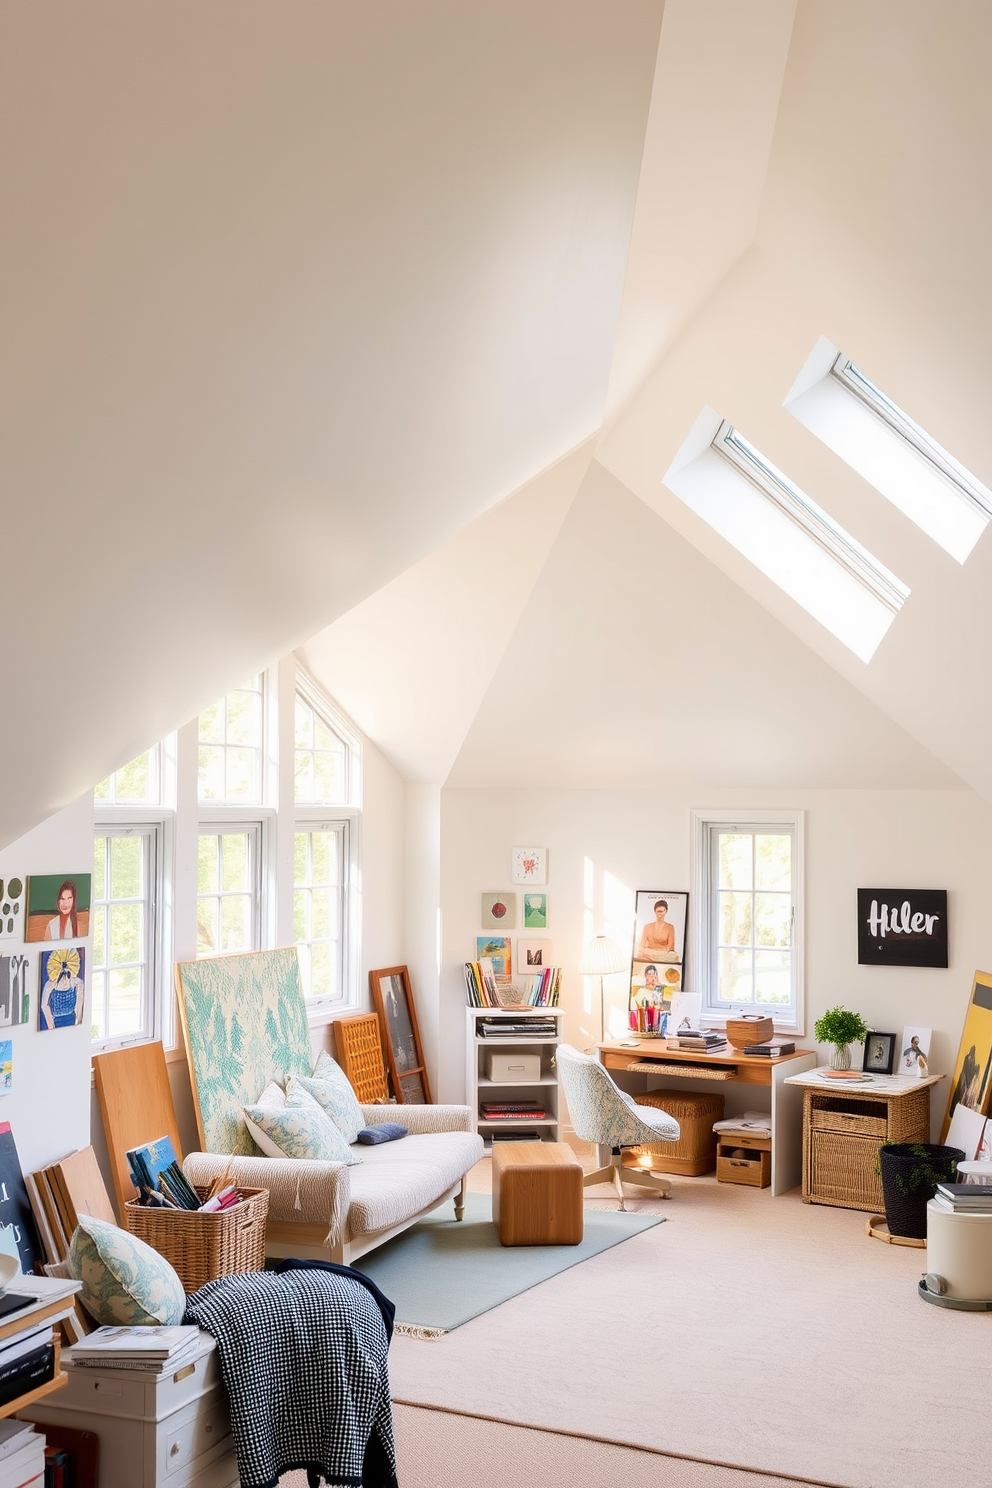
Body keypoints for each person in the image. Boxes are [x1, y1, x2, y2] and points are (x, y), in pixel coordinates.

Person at [40, 951, 84, 1030]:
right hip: (56, 1021)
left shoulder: (76, 982)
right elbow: (44, 1005)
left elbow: (79, 1002)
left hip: (71, 1019)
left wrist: (78, 1020)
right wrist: (51, 1025)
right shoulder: (50, 985)